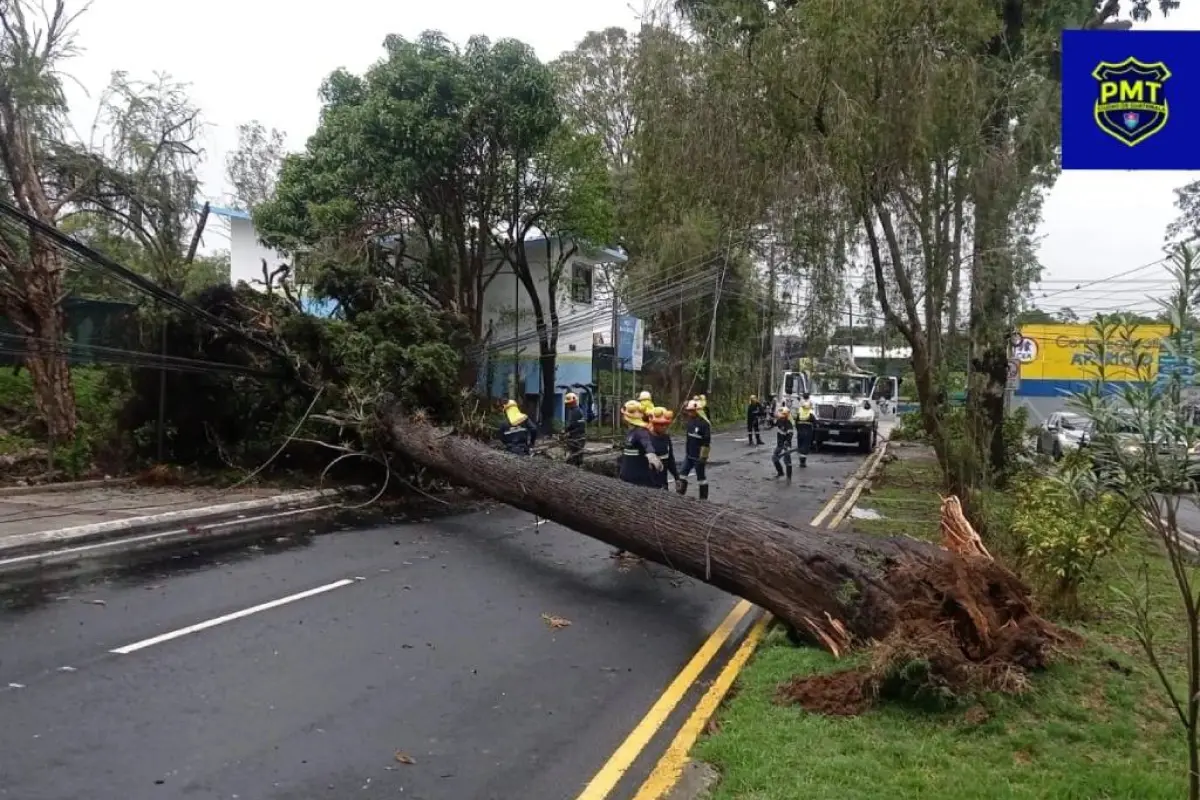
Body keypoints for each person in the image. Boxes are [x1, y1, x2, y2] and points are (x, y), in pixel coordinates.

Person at [618, 399, 662, 488]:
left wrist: (652, 456)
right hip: (627, 477)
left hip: (638, 480)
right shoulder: (631, 432)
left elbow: (647, 444)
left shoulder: (640, 432)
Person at [677, 399, 712, 500]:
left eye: (691, 410)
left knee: (701, 478)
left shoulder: (705, 424)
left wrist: (703, 457)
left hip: (698, 457)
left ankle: (703, 498)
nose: (689, 412)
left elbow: (706, 442)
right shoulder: (690, 421)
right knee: (682, 475)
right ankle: (679, 495)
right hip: (689, 455)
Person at [647, 406, 679, 490]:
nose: (664, 427)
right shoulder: (645, 439)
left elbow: (670, 459)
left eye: (666, 425)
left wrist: (677, 477)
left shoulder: (666, 438)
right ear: (654, 423)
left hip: (663, 483)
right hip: (648, 484)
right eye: (661, 425)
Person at [772, 407, 796, 481]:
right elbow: (774, 424)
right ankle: (780, 472)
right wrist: (770, 419)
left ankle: (789, 477)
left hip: (786, 445)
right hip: (779, 444)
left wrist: (787, 442)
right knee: (774, 458)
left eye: (782, 414)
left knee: (787, 461)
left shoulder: (789, 423)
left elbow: (790, 434)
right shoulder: (779, 420)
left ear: (785, 415)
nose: (780, 415)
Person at [563, 391, 586, 466]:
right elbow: (572, 425)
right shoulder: (572, 411)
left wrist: (570, 433)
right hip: (573, 437)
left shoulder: (578, 411)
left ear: (574, 402)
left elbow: (581, 427)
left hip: (578, 438)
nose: (568, 405)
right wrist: (565, 430)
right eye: (567, 404)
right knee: (572, 456)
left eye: (569, 403)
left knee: (576, 457)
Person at [795, 391, 814, 467]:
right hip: (807, 429)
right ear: (809, 397)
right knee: (805, 445)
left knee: (800, 444)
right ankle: (803, 462)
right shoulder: (810, 409)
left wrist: (797, 429)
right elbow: (814, 420)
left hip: (800, 428)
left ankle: (801, 460)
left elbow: (796, 420)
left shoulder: (800, 408)